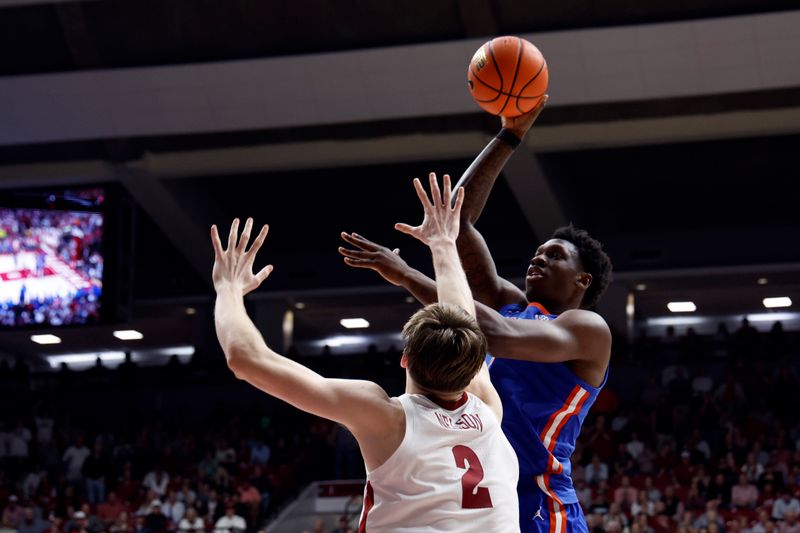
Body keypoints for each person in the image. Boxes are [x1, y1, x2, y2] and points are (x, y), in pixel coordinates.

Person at [339, 98, 613, 533]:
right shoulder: (508, 300)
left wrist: (407, 275)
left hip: (539, 500)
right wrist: (509, 135)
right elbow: (457, 219)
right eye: (537, 253)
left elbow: (488, 332)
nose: (537, 260)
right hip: (480, 493)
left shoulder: (586, 329)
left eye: (555, 257)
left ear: (582, 281)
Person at [212, 174, 519, 532]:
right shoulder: (485, 405)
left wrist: (228, 288)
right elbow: (463, 318)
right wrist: (442, 245)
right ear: (471, 369)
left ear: (405, 358)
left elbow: (245, 358)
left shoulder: (387, 417)